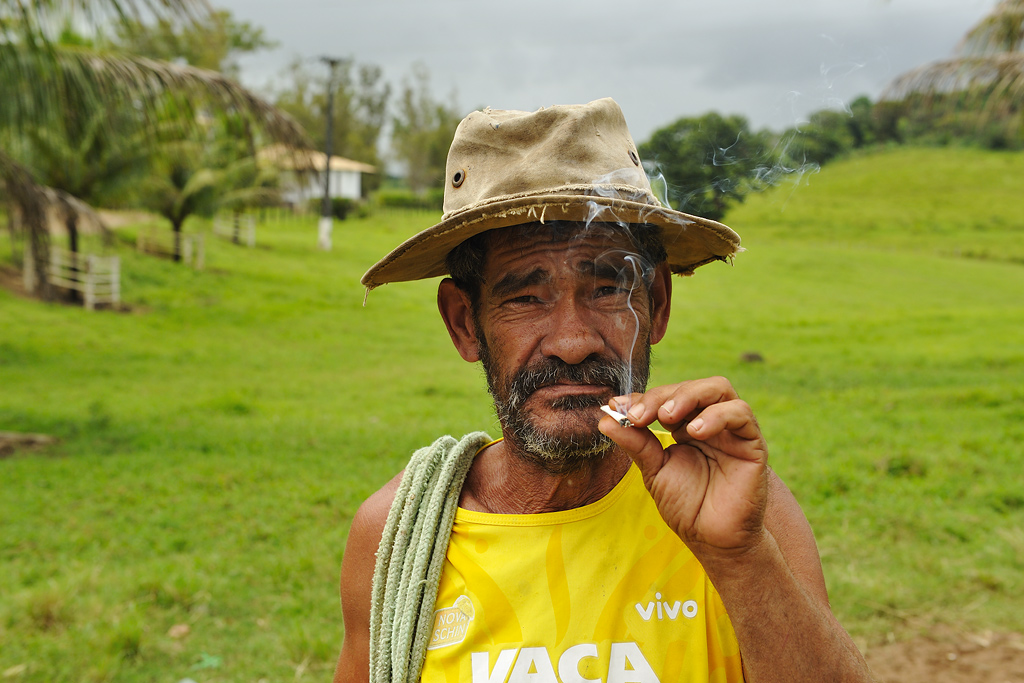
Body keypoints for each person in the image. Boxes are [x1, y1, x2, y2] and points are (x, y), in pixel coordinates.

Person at [334, 98, 874, 683]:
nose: (572, 341)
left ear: (657, 304)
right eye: (524, 297)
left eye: (607, 289)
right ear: (465, 323)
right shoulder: (396, 538)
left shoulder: (742, 513)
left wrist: (740, 559)